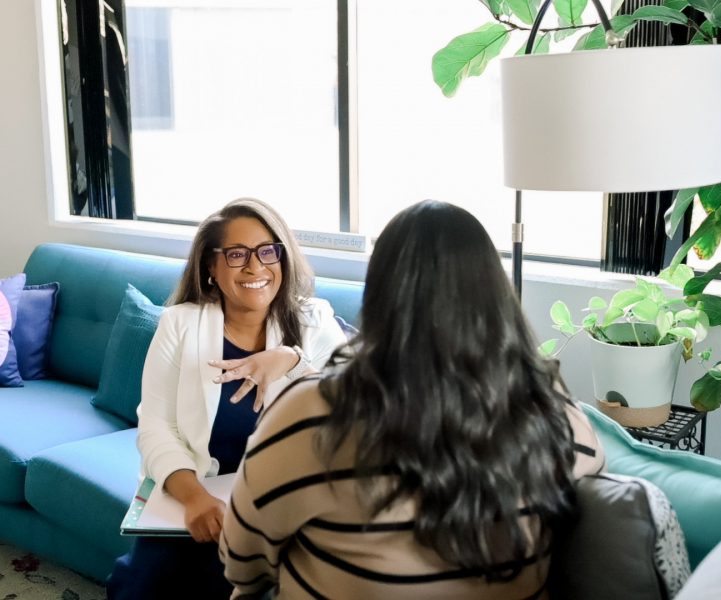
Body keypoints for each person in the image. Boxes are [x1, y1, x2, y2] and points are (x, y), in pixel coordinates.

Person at [219, 200, 605, 599]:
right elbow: (588, 518)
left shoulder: (310, 413)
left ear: (379, 297)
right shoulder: (552, 412)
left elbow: (242, 563)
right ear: (496, 296)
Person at [106, 198, 347, 599]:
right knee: (143, 585)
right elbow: (155, 427)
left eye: (267, 251)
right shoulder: (179, 325)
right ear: (210, 268)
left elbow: (355, 399)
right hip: (195, 493)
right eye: (237, 254)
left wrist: (292, 359)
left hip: (280, 505)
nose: (255, 267)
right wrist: (196, 499)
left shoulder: (313, 320)